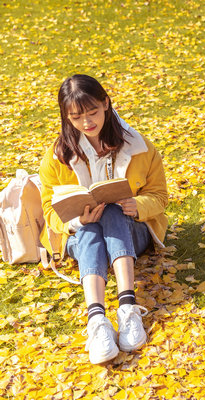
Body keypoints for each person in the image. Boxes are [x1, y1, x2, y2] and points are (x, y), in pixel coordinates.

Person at [38, 74, 168, 364]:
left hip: (132, 229)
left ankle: (127, 308)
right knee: (88, 230)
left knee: (111, 211)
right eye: (76, 117)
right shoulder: (56, 156)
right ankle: (97, 320)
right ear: (66, 117)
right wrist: (77, 222)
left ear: (106, 103)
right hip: (81, 236)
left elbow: (160, 196)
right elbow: (48, 210)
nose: (87, 122)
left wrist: (137, 204)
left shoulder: (139, 146)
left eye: (93, 112)